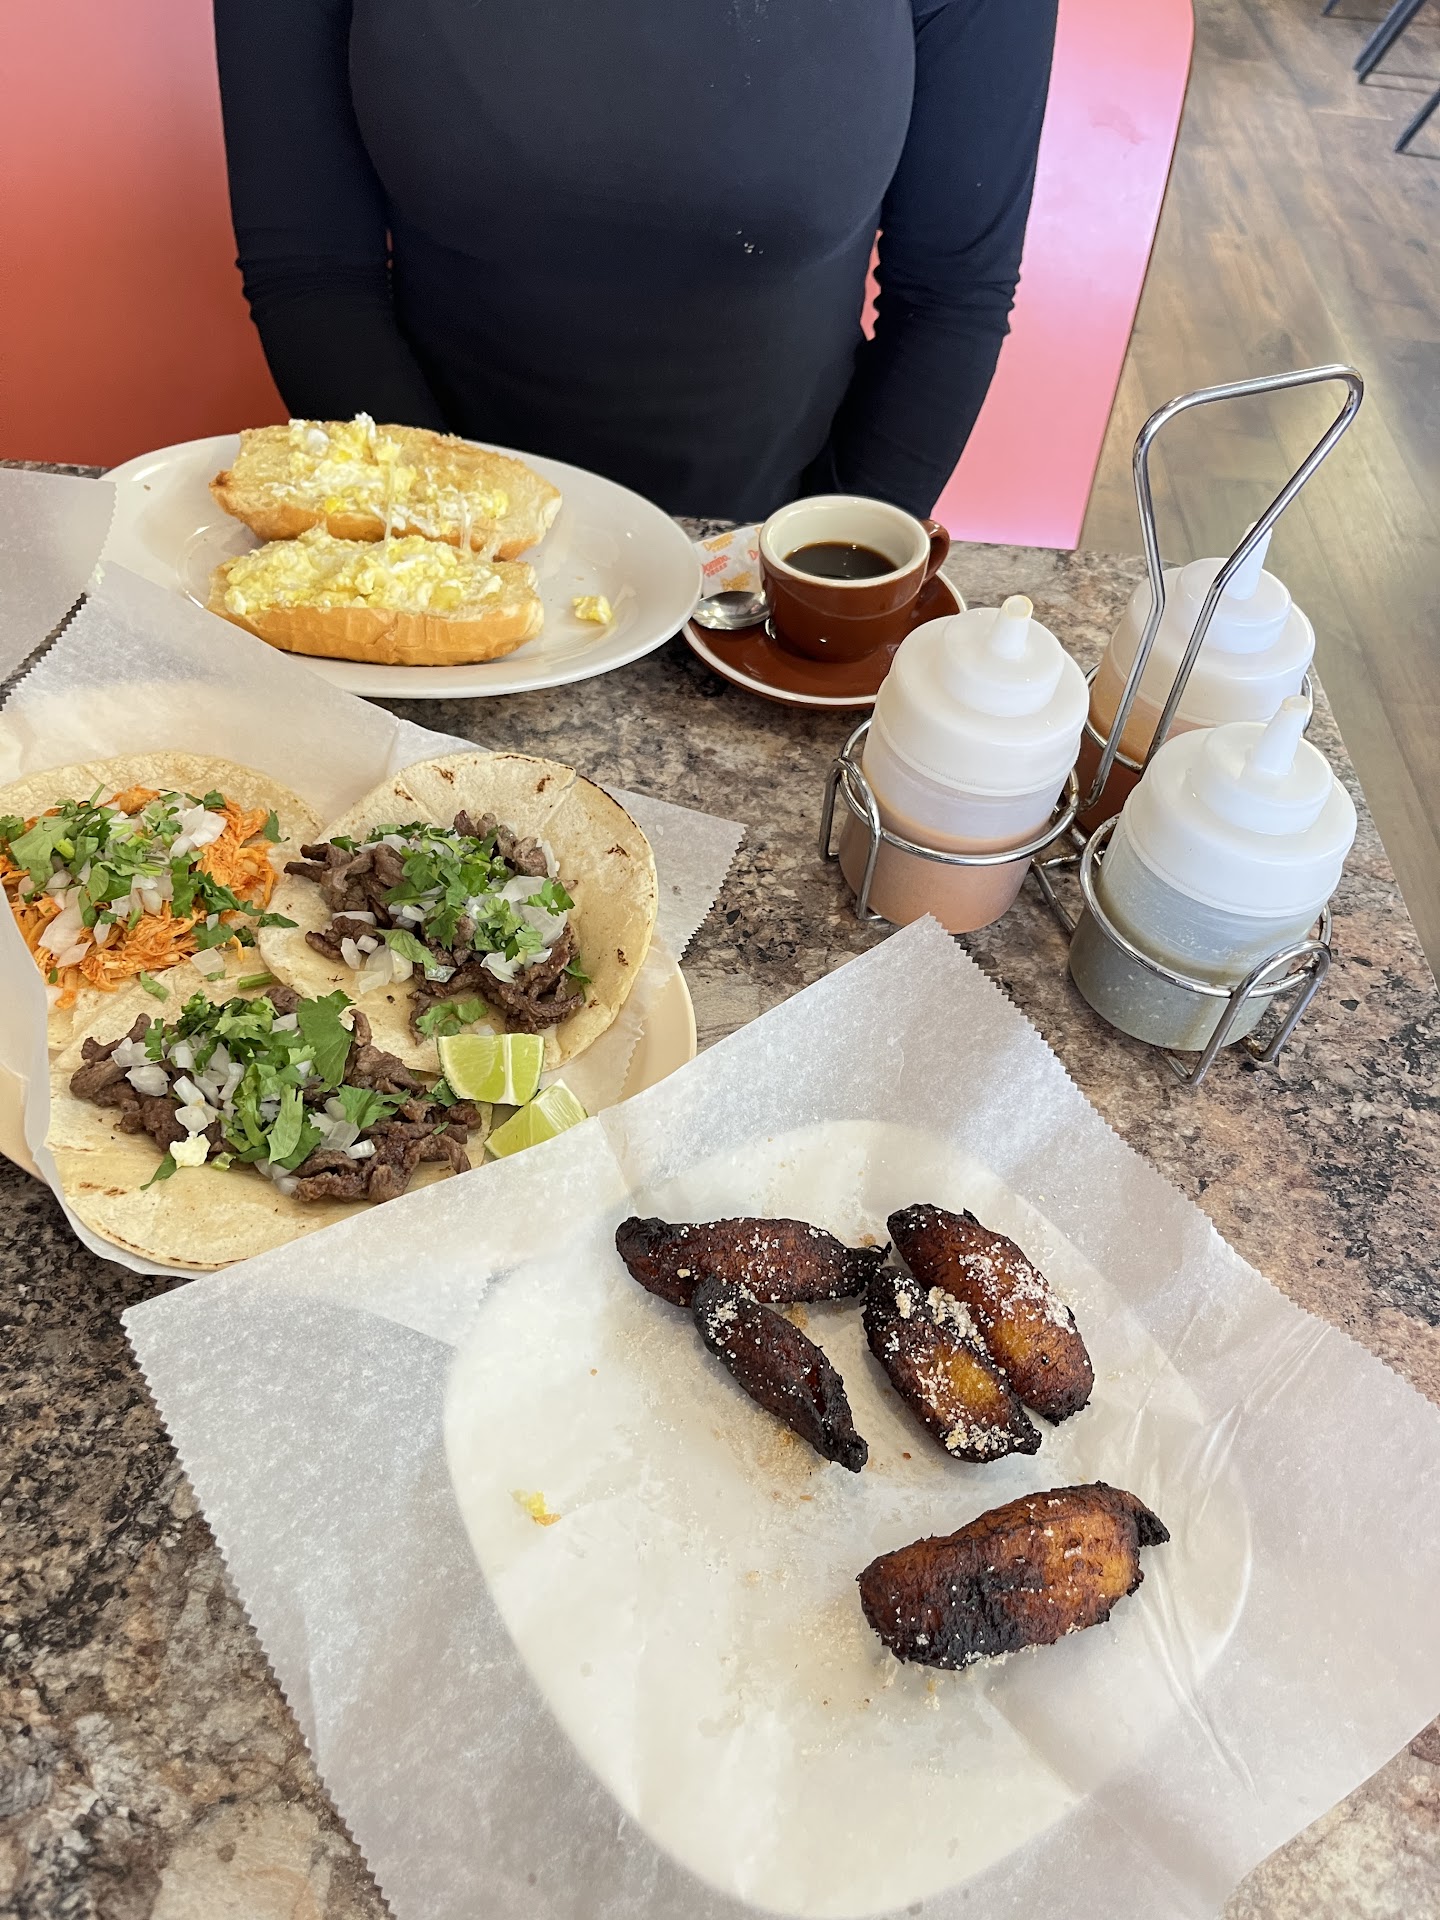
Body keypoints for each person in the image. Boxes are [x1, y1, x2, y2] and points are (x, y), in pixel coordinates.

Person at [214, 0, 1057, 523]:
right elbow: (312, 270)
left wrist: (833, 557)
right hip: (425, 531)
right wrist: (445, 549)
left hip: (775, 560)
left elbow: (951, 292)